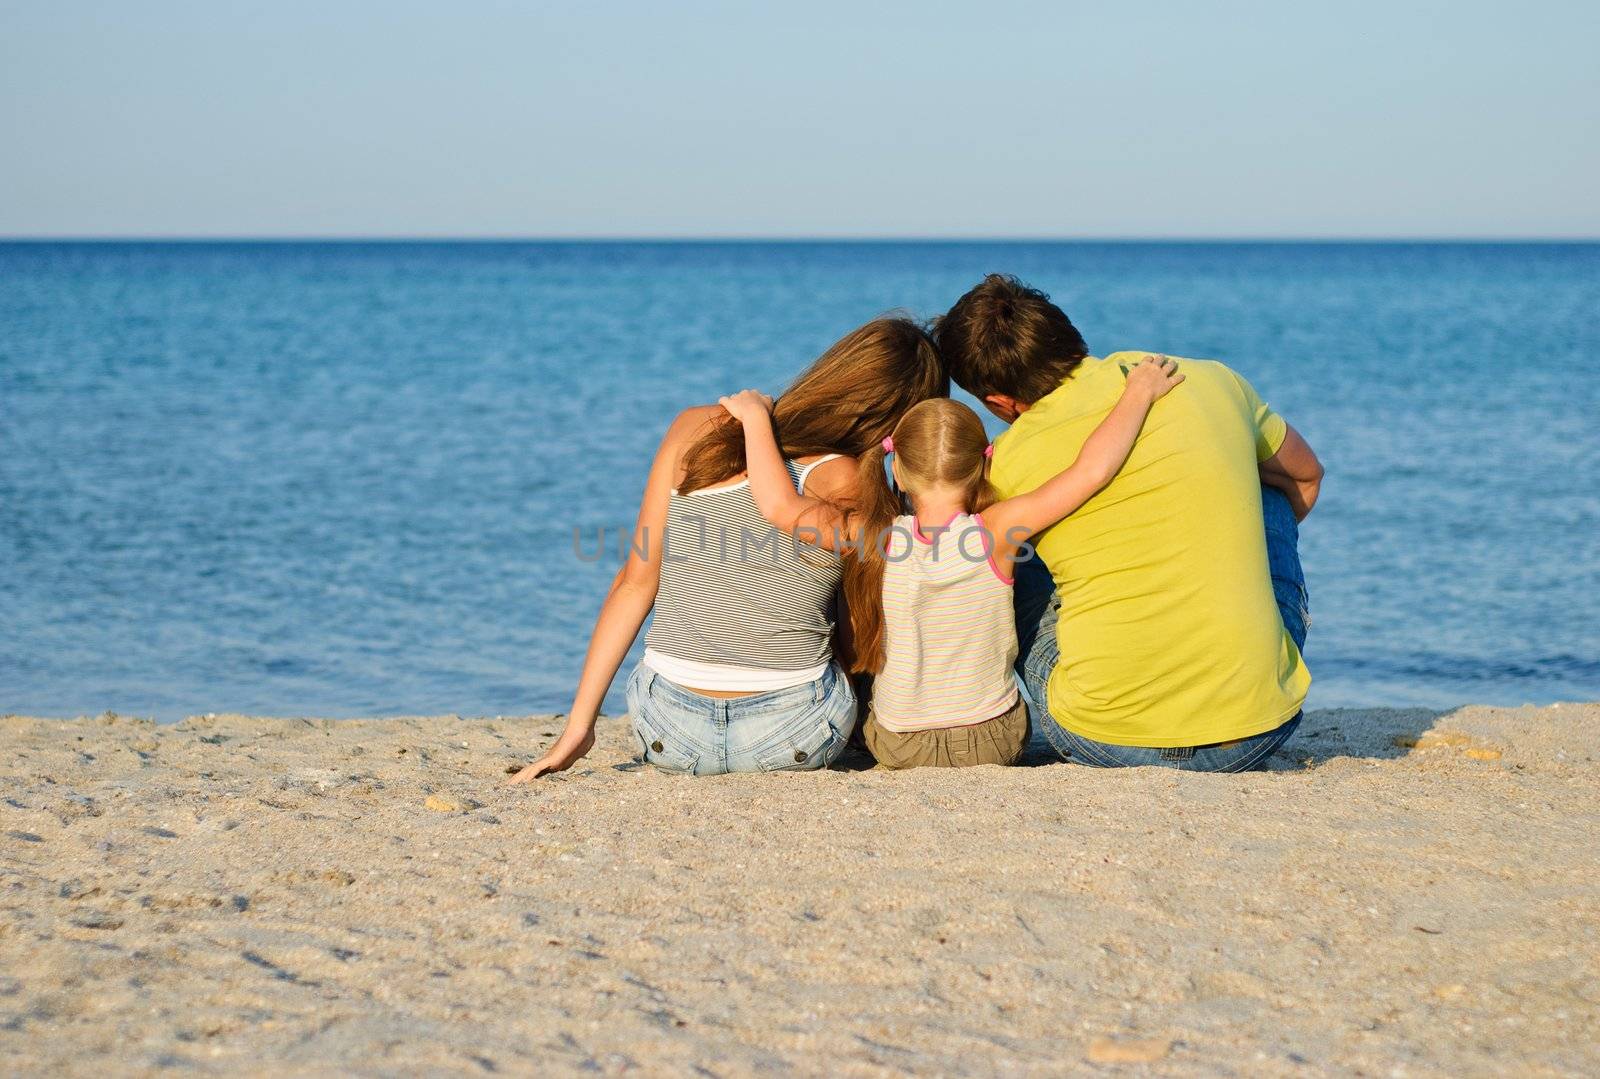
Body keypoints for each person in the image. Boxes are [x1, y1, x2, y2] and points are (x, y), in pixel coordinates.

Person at [509, 317, 946, 781]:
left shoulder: (696, 429)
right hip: (795, 732)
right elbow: (863, 627)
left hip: (667, 730)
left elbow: (636, 584)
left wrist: (579, 728)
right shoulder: (854, 483)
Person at [718, 355, 1184, 769]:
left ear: (895, 466)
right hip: (991, 740)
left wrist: (756, 419)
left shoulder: (875, 535)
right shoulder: (999, 531)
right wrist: (1138, 392)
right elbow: (1091, 471)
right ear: (985, 461)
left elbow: (779, 506)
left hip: (898, 743)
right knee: (1035, 574)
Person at [936, 274, 1322, 771]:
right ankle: (1245, 661)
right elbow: (1307, 479)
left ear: (998, 402)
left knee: (1017, 552)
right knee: (1271, 489)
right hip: (1257, 731)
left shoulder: (1007, 461)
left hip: (1104, 735)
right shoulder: (1211, 380)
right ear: (1069, 337)